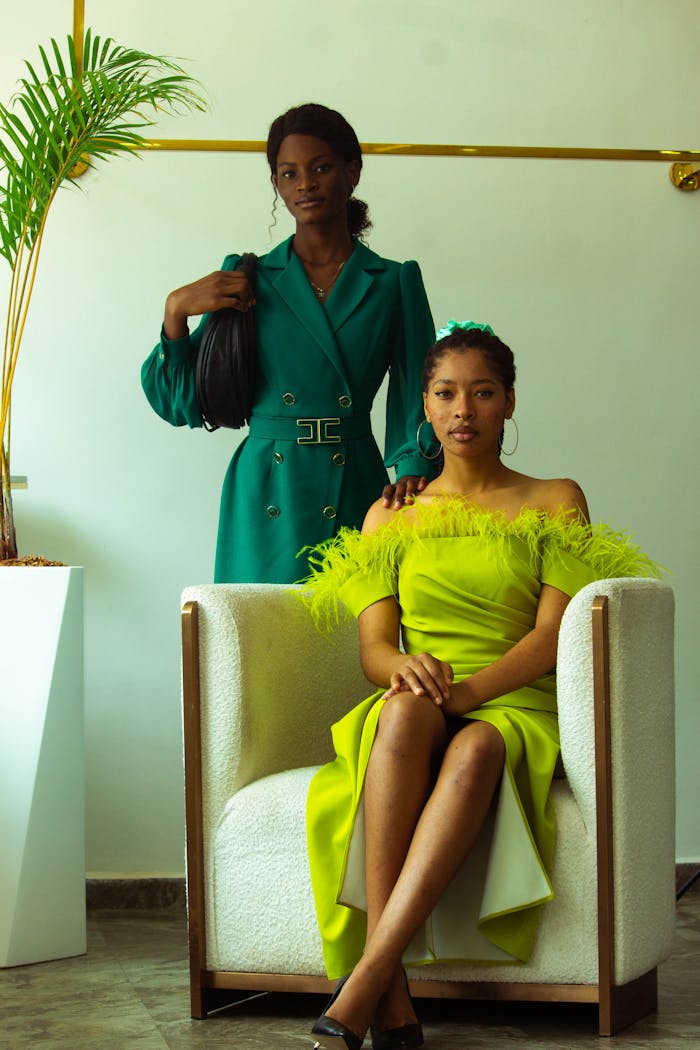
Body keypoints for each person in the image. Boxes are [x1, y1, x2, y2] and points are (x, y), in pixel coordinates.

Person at [301, 320, 660, 1050]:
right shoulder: (390, 515)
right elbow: (374, 648)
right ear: (425, 411)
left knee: (476, 753)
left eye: (482, 392)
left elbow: (548, 639)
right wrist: (402, 670)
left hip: (514, 702)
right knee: (399, 718)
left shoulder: (554, 499)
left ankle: (369, 978)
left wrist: (469, 695)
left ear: (509, 403)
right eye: (445, 394)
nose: (463, 409)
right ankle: (388, 991)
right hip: (421, 698)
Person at [141, 102, 436, 584]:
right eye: (288, 173)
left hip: (355, 481)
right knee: (260, 643)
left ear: (352, 172)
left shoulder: (393, 282)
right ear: (276, 184)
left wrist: (413, 464)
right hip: (265, 486)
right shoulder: (247, 276)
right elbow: (183, 404)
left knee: (350, 640)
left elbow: (420, 392)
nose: (305, 184)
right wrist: (176, 309)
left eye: (320, 168)